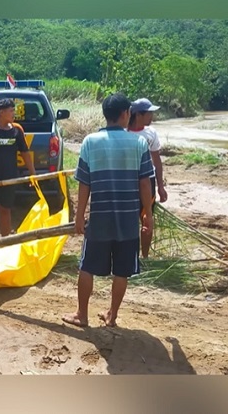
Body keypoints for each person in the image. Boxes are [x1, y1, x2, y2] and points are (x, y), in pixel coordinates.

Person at [62, 93, 154, 328]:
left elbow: (85, 183)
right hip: (128, 219)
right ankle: (112, 315)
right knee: (122, 270)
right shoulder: (139, 143)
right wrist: (148, 216)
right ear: (125, 114)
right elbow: (145, 184)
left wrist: (79, 216)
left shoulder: (90, 142)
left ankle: (82, 314)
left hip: (100, 218)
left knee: (87, 266)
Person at [0, 98, 36, 241]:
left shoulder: (17, 130)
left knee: (5, 210)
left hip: (9, 178)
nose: (14, 113)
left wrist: (33, 173)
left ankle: (5, 243)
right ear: (2, 112)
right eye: (11, 111)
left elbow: (25, 154)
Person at [129, 97, 168, 259]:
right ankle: (130, 257)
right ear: (138, 115)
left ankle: (144, 257)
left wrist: (160, 185)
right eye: (149, 113)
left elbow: (157, 161)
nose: (152, 117)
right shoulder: (124, 132)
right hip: (129, 181)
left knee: (147, 219)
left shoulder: (151, 133)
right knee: (129, 220)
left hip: (148, 181)